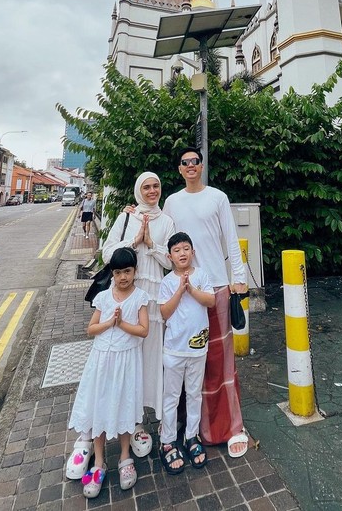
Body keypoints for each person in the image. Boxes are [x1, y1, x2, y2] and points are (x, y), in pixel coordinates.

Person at [162, 147, 249, 458]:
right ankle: (188, 427)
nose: (190, 166)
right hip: (183, 289)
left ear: (201, 166)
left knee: (219, 360)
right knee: (185, 358)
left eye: (195, 162)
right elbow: (163, 242)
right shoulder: (171, 202)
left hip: (217, 286)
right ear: (180, 168)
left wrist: (239, 278)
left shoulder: (218, 197)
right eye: (185, 162)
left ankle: (228, 426)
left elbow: (231, 240)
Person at [66, 247, 149, 498]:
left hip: (126, 361)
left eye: (127, 271)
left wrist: (122, 324)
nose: (123, 277)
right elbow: (91, 329)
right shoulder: (103, 297)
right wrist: (110, 322)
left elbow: (144, 330)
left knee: (124, 407)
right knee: (99, 409)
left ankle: (124, 457)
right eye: (118, 272)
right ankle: (99, 462)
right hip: (101, 362)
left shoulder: (140, 297)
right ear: (112, 273)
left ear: (135, 271)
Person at [102, 171, 174, 452]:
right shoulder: (126, 217)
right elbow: (107, 254)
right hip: (125, 296)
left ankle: (144, 417)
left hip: (153, 298)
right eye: (146, 187)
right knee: (124, 354)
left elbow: (170, 262)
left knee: (151, 356)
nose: (152, 191)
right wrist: (134, 241)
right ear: (137, 191)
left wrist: (151, 244)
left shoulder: (166, 221)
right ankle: (127, 419)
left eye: (156, 186)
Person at [158, 232, 215, 474]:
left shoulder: (201, 275)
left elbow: (211, 301)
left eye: (186, 248)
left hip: (197, 349)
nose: (182, 253)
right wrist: (180, 291)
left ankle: (192, 436)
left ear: (193, 252)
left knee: (194, 394)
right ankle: (168, 440)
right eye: (177, 250)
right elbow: (164, 312)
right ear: (169, 256)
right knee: (171, 396)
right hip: (174, 349)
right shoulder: (167, 282)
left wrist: (191, 289)